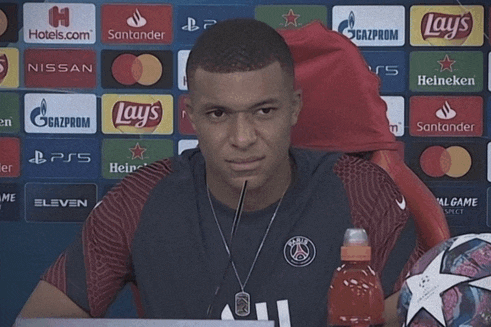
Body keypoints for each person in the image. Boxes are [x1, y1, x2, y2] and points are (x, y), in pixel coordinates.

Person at [18, 18, 418, 327]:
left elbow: (413, 314)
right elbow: (40, 319)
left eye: (265, 111)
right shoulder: (137, 199)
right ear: (191, 116)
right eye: (218, 114)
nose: (242, 139)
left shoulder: (362, 190)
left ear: (294, 107)